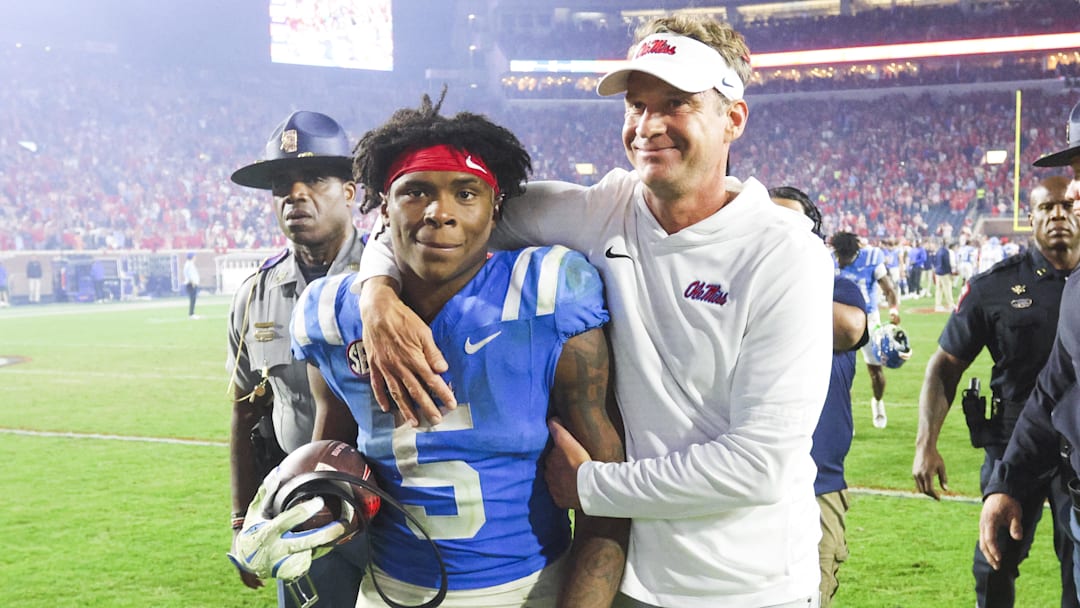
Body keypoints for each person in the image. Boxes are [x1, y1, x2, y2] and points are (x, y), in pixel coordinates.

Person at [358, 15, 834, 608]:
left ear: (733, 118)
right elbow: (442, 212)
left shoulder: (785, 253)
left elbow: (758, 465)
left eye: (676, 103)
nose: (648, 126)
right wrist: (375, 292)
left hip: (746, 585)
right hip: (631, 579)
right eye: (636, 105)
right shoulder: (605, 208)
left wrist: (590, 484)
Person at [241, 94, 629, 608]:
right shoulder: (329, 316)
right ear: (384, 208)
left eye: (466, 193)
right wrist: (308, 506)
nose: (439, 213)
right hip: (387, 592)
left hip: (529, 589)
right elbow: (333, 460)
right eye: (416, 192)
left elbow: (608, 498)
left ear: (496, 210)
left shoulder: (548, 292)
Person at [225, 110, 367, 608]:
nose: (295, 194)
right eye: (282, 184)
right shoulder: (255, 295)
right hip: (299, 512)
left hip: (391, 510)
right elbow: (246, 410)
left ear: (350, 192)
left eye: (315, 179)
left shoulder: (391, 281)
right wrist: (245, 518)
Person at [917, 176, 1080, 608]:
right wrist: (925, 443)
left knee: (1078, 571)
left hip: (1076, 449)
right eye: (1046, 208)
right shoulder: (994, 286)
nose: (1058, 215)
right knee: (993, 566)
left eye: (1067, 205)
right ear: (1030, 219)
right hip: (1012, 448)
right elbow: (944, 366)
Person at [771, 186, 868, 607]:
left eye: (793, 227)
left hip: (817, 486)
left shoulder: (838, 288)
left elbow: (848, 328)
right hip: (744, 484)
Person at [832, 231, 902, 429]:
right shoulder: (830, 261)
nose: (841, 261)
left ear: (854, 253)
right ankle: (845, 417)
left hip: (869, 319)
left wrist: (894, 310)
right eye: (838, 256)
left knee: (875, 372)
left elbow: (889, 289)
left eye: (844, 257)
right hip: (839, 320)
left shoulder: (871, 258)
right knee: (838, 374)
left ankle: (878, 402)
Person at [931, 237, 956, 312]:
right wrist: (950, 273)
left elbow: (935, 261)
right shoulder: (946, 252)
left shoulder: (938, 251)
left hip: (938, 272)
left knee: (939, 289)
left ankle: (938, 305)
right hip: (944, 272)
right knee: (947, 289)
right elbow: (947, 263)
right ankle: (950, 304)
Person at [183, 252, 200, 318]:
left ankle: (192, 313)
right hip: (191, 284)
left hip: (192, 283)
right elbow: (189, 274)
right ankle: (191, 314)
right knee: (192, 299)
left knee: (193, 299)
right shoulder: (189, 264)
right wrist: (193, 282)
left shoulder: (190, 264)